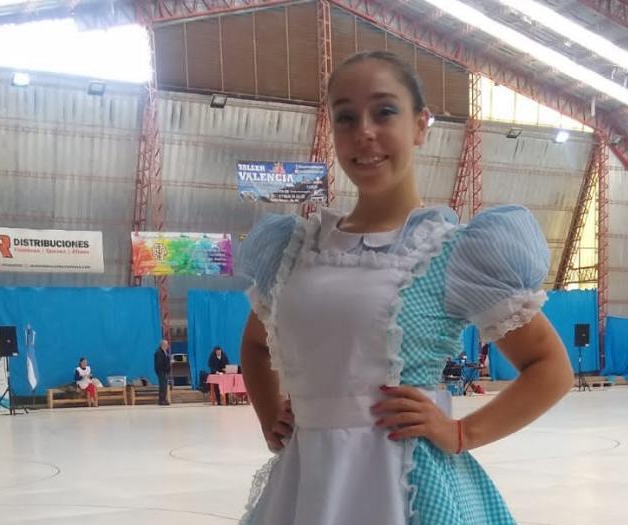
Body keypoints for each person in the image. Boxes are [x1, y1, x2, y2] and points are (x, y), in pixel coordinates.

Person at [237, 50, 573, 524]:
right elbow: (254, 344)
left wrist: (462, 433)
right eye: (346, 117)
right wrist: (272, 417)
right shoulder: (296, 251)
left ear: (420, 125)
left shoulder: (450, 252)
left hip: (407, 488)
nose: (364, 132)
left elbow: (550, 368)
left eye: (385, 111)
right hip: (305, 487)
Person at [153, 339, 171, 406]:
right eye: (166, 345)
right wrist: (165, 369)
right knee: (162, 386)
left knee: (164, 386)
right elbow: (159, 363)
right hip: (161, 372)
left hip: (165, 371)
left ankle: (164, 399)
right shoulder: (159, 352)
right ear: (163, 345)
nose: (167, 346)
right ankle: (161, 400)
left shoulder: (164, 351)